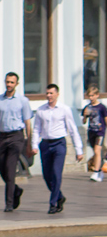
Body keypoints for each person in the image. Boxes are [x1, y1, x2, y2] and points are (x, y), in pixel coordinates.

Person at [32, 84, 84, 214]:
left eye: (51, 93)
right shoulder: (40, 110)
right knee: (46, 175)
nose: (49, 96)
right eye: (47, 93)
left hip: (59, 144)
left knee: (56, 173)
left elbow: (72, 129)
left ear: (57, 94)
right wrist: (34, 145)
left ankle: (53, 203)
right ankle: (60, 196)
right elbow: (36, 129)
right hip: (45, 144)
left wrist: (79, 150)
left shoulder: (64, 109)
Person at [0, 71, 34, 212]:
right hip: (2, 136)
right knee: (2, 168)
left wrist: (30, 141)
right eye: (7, 82)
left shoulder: (23, 101)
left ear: (17, 84)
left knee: (11, 168)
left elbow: (27, 122)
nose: (9, 85)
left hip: (17, 137)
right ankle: (16, 190)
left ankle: (9, 203)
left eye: (12, 82)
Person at [82, 85, 106, 182]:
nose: (91, 98)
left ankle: (96, 172)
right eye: (89, 96)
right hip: (91, 131)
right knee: (95, 152)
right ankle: (99, 170)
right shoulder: (87, 107)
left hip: (100, 131)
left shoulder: (102, 107)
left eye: (92, 96)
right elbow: (84, 121)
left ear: (97, 95)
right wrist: (84, 115)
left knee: (97, 151)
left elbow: (106, 119)